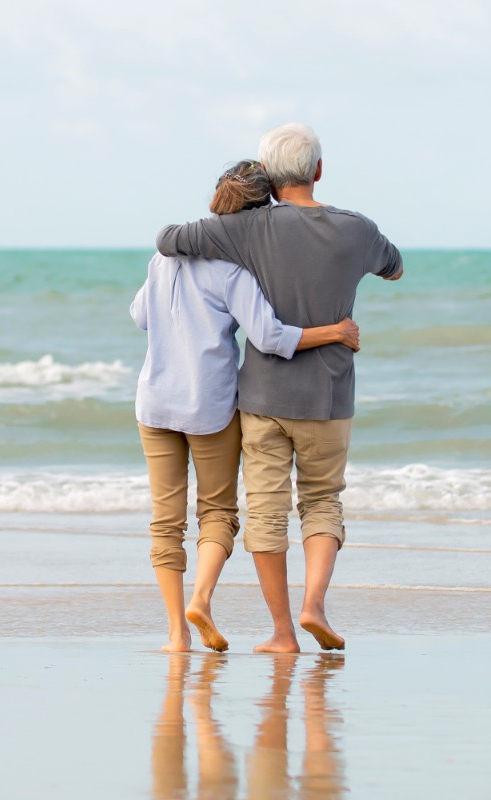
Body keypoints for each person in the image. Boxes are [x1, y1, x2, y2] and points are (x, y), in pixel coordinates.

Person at [156, 123, 403, 653]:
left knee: (266, 512)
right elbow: (394, 267)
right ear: (318, 170)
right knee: (322, 502)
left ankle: (284, 634)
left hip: (264, 399)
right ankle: (315, 604)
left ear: (269, 175)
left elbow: (169, 240)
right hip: (331, 396)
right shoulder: (357, 229)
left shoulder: (246, 231)